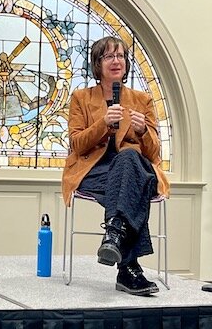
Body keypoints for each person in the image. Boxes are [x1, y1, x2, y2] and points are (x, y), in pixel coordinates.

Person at [62, 36, 169, 296]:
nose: (116, 61)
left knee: (130, 160)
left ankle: (114, 235)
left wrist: (143, 131)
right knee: (132, 187)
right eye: (109, 56)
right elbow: (77, 145)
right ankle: (128, 267)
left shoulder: (142, 99)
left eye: (120, 56)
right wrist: (102, 124)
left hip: (134, 167)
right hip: (93, 170)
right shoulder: (80, 98)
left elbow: (154, 153)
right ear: (97, 64)